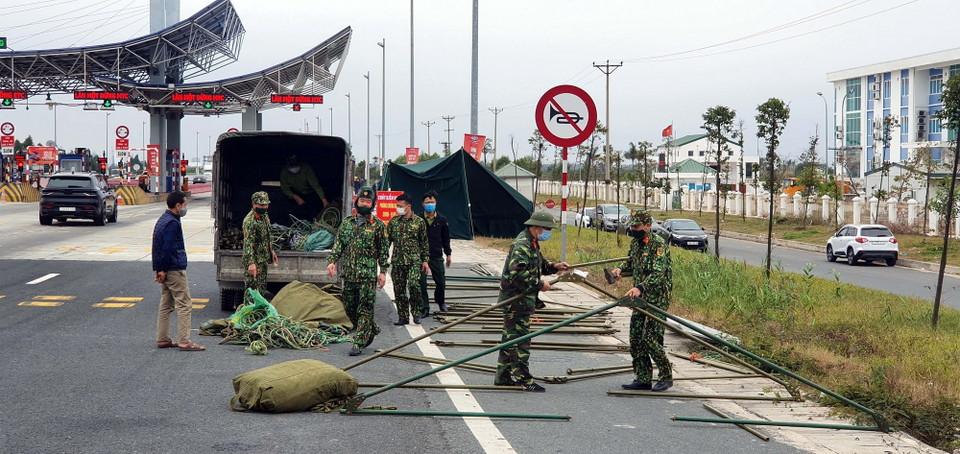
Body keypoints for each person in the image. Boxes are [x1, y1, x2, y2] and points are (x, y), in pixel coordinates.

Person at [494, 211, 569, 392]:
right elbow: (517, 273)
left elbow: (539, 264)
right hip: (515, 301)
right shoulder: (522, 244)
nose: (547, 232)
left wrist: (554, 267)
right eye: (546, 229)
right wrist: (539, 284)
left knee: (509, 339)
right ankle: (524, 380)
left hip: (521, 301)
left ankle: (503, 377)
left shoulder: (532, 243)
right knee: (520, 341)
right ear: (536, 227)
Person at [608, 209, 674, 392]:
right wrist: (620, 270)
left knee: (650, 338)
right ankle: (643, 378)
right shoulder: (636, 243)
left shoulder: (658, 245)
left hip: (657, 297)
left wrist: (640, 287)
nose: (633, 229)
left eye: (637, 226)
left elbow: (658, 274)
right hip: (639, 298)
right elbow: (631, 262)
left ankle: (666, 376)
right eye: (632, 226)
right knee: (636, 337)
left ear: (648, 226)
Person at [327, 186, 389, 356]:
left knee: (365, 308)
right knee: (349, 308)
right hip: (349, 273)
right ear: (357, 202)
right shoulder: (347, 222)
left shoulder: (378, 226)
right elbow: (339, 244)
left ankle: (359, 342)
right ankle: (371, 328)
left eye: (368, 202)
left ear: (372, 204)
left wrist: (382, 272)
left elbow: (383, 251)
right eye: (362, 200)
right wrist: (332, 261)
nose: (364, 204)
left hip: (367, 275)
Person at [152, 191, 204, 351]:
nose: (185, 208)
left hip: (165, 268)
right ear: (178, 206)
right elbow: (167, 249)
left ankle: (163, 338)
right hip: (174, 268)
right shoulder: (172, 223)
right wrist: (165, 269)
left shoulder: (163, 220)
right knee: (184, 303)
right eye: (185, 205)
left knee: (166, 303)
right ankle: (184, 340)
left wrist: (158, 268)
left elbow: (156, 247)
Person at [387, 193, 429, 325]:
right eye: (397, 205)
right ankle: (403, 316)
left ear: (408, 206)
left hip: (414, 261)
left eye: (400, 206)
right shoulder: (393, 222)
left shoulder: (419, 222)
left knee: (414, 285)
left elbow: (424, 242)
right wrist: (381, 257)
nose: (398, 208)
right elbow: (387, 242)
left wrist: (425, 260)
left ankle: (416, 312)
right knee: (399, 290)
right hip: (398, 261)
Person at [418, 190, 452, 317]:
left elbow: (446, 238)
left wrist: (448, 254)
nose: (430, 204)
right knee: (422, 283)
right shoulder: (418, 219)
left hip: (437, 255)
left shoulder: (442, 219)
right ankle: (424, 307)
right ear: (423, 204)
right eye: (427, 202)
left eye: (432, 202)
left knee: (441, 282)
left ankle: (441, 302)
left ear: (436, 203)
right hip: (421, 257)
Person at [241, 191, 279, 306]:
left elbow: (267, 236)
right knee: (252, 292)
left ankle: (258, 315)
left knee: (261, 291)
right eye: (261, 205)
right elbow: (248, 244)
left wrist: (271, 251)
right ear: (254, 204)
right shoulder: (250, 221)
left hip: (263, 260)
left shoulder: (264, 216)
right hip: (255, 262)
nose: (264, 207)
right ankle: (248, 318)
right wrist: (251, 263)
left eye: (266, 204)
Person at [280, 153, 329, 223]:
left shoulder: (306, 169)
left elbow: (316, 186)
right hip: (295, 194)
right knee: (290, 211)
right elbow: (284, 188)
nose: (293, 168)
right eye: (291, 166)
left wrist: (324, 201)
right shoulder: (284, 172)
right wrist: (295, 197)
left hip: (309, 193)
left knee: (313, 212)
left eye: (295, 165)